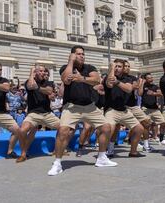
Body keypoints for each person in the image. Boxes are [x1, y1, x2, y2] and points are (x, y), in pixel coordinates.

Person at [48, 46, 116, 176]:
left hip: (89, 106)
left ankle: (102, 158)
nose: (82, 56)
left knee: (106, 127)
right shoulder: (66, 67)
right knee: (63, 131)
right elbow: (65, 79)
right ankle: (57, 163)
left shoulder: (89, 68)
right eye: (78, 54)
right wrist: (70, 62)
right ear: (72, 55)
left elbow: (96, 79)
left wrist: (82, 79)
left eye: (83, 54)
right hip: (72, 106)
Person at [16, 65, 60, 163]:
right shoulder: (29, 81)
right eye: (40, 71)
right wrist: (31, 72)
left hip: (47, 113)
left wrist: (37, 87)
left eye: (44, 71)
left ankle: (57, 150)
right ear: (35, 72)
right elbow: (30, 85)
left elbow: (49, 90)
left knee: (63, 128)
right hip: (33, 113)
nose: (43, 73)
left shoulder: (48, 82)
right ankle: (23, 154)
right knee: (22, 130)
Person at [104, 59, 145, 158]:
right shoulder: (108, 77)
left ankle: (133, 152)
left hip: (124, 110)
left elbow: (129, 89)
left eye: (119, 66)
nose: (117, 68)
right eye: (116, 66)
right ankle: (105, 151)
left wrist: (117, 82)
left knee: (139, 129)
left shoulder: (127, 79)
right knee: (110, 129)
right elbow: (109, 84)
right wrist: (111, 69)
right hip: (111, 110)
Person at [139, 73, 165, 145]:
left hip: (154, 108)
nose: (151, 79)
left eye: (151, 78)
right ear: (145, 79)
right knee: (145, 125)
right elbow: (140, 94)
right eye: (149, 78)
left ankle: (161, 139)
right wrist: (142, 83)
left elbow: (160, 94)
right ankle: (144, 141)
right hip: (145, 109)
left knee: (163, 123)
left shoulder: (155, 86)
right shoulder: (143, 86)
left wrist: (153, 94)